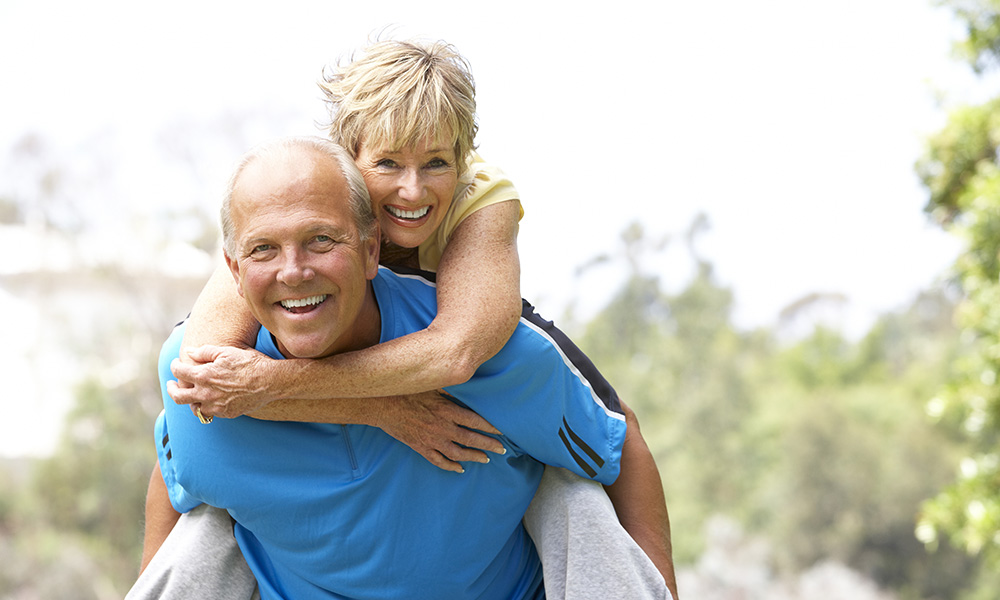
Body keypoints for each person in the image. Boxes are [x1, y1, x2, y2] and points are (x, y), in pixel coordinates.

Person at [162, 39, 678, 598]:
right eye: (387, 164)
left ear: (461, 160)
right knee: (196, 488)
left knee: (584, 460)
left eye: (436, 163)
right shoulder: (301, 210)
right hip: (355, 314)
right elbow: (202, 383)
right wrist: (381, 410)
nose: (412, 189)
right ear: (348, 158)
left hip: (459, 322)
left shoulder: (482, 200)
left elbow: (455, 352)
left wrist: (276, 384)